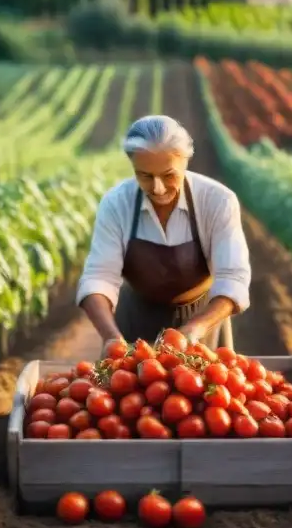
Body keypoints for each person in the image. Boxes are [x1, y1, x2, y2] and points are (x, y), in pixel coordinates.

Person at [76, 115, 251, 355]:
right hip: (133, 321)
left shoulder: (217, 201)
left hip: (202, 321)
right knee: (130, 389)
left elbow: (233, 279)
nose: (157, 188)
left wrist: (196, 328)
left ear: (185, 162)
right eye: (145, 176)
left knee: (205, 388)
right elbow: (98, 277)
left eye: (169, 175)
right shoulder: (117, 203)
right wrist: (110, 337)